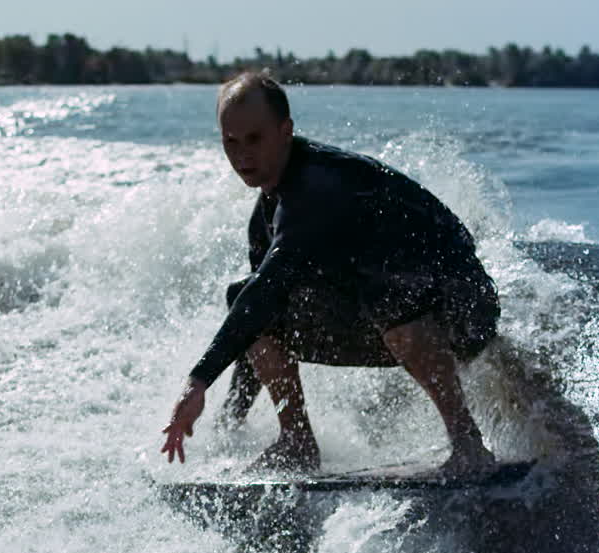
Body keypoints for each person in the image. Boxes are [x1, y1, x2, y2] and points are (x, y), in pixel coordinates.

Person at [160, 71, 501, 475]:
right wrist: (228, 423)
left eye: (255, 139)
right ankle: (297, 442)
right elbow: (255, 315)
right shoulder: (265, 217)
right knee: (246, 296)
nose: (242, 156)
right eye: (230, 142)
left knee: (383, 294)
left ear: (285, 131)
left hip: (463, 309)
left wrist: (198, 380)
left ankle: (468, 444)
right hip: (392, 324)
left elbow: (268, 288)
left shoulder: (317, 185)